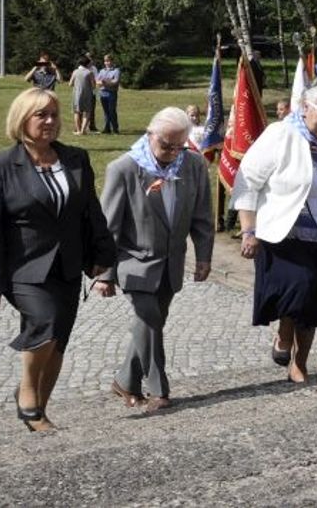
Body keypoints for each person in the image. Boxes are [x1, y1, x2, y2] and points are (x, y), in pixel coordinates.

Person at [0, 87, 117, 432]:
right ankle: (26, 391)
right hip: (23, 268)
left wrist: (103, 260)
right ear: (23, 119)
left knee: (58, 341)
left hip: (68, 266)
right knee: (45, 322)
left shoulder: (75, 159)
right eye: (42, 115)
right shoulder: (1, 165)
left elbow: (91, 213)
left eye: (54, 114)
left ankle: (39, 411)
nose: (50, 121)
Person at [233, 82, 317, 382]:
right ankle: (284, 336)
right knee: (298, 292)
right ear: (304, 108)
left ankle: (300, 363)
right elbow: (248, 180)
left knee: (311, 302)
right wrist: (249, 230)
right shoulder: (280, 134)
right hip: (283, 235)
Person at [100, 108, 214, 411]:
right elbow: (108, 226)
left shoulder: (193, 165)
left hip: (171, 263)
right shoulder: (123, 169)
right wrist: (105, 274)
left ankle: (125, 380)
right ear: (150, 135)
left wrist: (204, 256)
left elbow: (202, 215)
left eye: (180, 146)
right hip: (134, 263)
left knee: (149, 325)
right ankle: (158, 389)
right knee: (149, 319)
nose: (173, 153)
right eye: (167, 146)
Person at [68, 55, 96, 135]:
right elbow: (93, 86)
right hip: (87, 94)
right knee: (87, 112)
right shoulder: (89, 72)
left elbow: (70, 84)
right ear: (87, 64)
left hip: (76, 94)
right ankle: (83, 130)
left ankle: (78, 130)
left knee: (76, 112)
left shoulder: (75, 71)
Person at [96, 54, 121, 134]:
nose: (107, 63)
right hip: (103, 93)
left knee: (112, 111)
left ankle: (115, 128)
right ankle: (107, 128)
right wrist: (104, 82)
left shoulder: (116, 70)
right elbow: (97, 81)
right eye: (105, 61)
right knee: (106, 112)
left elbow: (115, 81)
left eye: (108, 61)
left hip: (111, 93)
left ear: (112, 61)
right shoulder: (102, 71)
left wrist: (105, 82)